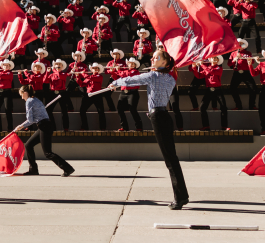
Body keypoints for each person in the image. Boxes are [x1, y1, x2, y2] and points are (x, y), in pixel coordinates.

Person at [112, 49, 189, 209]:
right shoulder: (170, 78)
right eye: (153, 56)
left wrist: (115, 83)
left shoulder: (154, 76)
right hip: (164, 117)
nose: (153, 59)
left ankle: (180, 198)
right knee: (172, 158)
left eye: (157, 57)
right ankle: (182, 195)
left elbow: (134, 79)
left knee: (170, 160)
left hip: (159, 118)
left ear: (165, 63)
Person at [17, 84, 75, 176]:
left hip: (44, 126)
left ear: (25, 93)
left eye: (21, 94)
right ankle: (33, 170)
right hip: (44, 125)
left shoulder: (29, 101)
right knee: (28, 145)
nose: (21, 97)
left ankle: (68, 168)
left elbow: (30, 120)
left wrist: (21, 126)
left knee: (47, 153)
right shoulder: (36, 99)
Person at [193, 56, 228, 131]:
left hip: (218, 89)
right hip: (209, 90)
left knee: (223, 107)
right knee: (202, 108)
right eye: (212, 58)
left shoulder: (219, 68)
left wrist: (202, 65)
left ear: (218, 60)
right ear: (210, 59)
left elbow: (211, 72)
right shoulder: (207, 68)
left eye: (216, 58)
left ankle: (224, 126)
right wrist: (194, 68)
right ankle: (206, 126)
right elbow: (199, 76)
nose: (214, 59)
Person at [74, 60, 108, 131]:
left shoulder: (99, 76)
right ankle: (84, 127)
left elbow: (91, 78)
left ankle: (103, 128)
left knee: (100, 111)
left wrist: (83, 74)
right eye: (93, 68)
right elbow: (82, 84)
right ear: (91, 69)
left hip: (97, 95)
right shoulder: (89, 77)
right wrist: (78, 77)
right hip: (88, 95)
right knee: (82, 110)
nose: (95, 69)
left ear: (98, 70)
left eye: (96, 68)